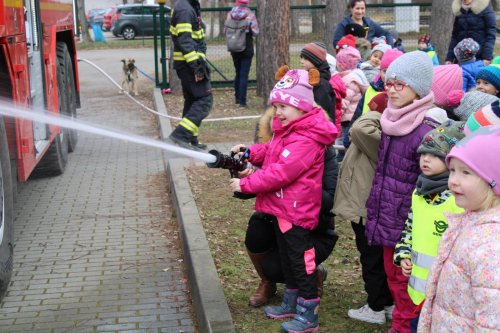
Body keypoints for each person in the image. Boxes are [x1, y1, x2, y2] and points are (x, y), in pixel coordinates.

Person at [229, 68, 337, 333]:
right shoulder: (288, 130)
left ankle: (308, 314)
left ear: (301, 107)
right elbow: (270, 152)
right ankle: (290, 301)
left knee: (301, 263)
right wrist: (250, 152)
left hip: (297, 212)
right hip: (282, 209)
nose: (277, 112)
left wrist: (245, 183)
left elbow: (280, 173)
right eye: (275, 105)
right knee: (289, 260)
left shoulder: (307, 139)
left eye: (283, 106)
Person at [364, 51, 441, 333]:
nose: (392, 90)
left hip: (410, 228)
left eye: (400, 84)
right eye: (390, 83)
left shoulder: (426, 130)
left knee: (409, 285)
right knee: (394, 280)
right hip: (387, 219)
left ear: (418, 89)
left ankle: (404, 327)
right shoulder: (390, 120)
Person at [245, 103, 339, 307]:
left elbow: (330, 201)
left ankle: (310, 292)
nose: (278, 115)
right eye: (275, 111)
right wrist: (246, 175)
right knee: (257, 228)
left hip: (311, 228)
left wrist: (291, 185)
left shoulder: (319, 150)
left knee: (291, 263)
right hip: (278, 221)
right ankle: (270, 285)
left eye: (283, 110)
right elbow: (249, 188)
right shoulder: (272, 148)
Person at [417, 125, 500, 332]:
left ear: (494, 181)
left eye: (465, 172)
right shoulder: (469, 219)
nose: (453, 180)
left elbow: (492, 322)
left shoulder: (491, 244)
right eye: (452, 170)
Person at [393, 121, 465, 332]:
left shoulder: (457, 200)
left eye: (434, 155)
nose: (425, 159)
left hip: (447, 294)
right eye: (423, 154)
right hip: (418, 290)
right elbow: (409, 228)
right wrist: (404, 255)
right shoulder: (419, 193)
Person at [334, 93, 394, 326]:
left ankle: (376, 307)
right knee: (378, 257)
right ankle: (386, 302)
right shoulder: (382, 136)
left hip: (366, 209)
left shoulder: (374, 135)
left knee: (371, 258)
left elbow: (358, 129)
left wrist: (376, 112)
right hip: (367, 207)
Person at [168, 0, 212, 150]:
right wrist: (196, 66)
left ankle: (190, 138)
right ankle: (180, 136)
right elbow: (185, 40)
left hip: (189, 64)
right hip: (189, 65)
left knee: (193, 100)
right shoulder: (185, 9)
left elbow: (196, 38)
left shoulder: (189, 6)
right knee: (205, 100)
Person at [336, 46, 369, 162]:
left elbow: (343, 102)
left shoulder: (348, 81)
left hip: (347, 118)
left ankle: (342, 161)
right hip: (352, 116)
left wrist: (337, 116)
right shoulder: (357, 76)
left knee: (343, 142)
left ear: (342, 64)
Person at [224, 0, 259, 108]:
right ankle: (242, 102)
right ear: (246, 3)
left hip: (234, 47)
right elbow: (256, 32)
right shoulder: (250, 15)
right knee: (244, 75)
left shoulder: (230, 14)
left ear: (237, 3)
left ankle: (237, 98)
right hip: (246, 47)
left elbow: (225, 30)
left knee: (238, 72)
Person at [445, 0, 496, 65]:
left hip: (479, 58)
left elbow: (491, 35)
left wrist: (487, 57)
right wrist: (449, 58)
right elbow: (455, 37)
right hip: (462, 58)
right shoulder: (460, 12)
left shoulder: (486, 10)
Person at [299, 42, 336, 122]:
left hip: (318, 128)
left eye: (305, 58)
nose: (301, 61)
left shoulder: (321, 84)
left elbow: (320, 111)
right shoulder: (308, 78)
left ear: (316, 60)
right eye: (301, 58)